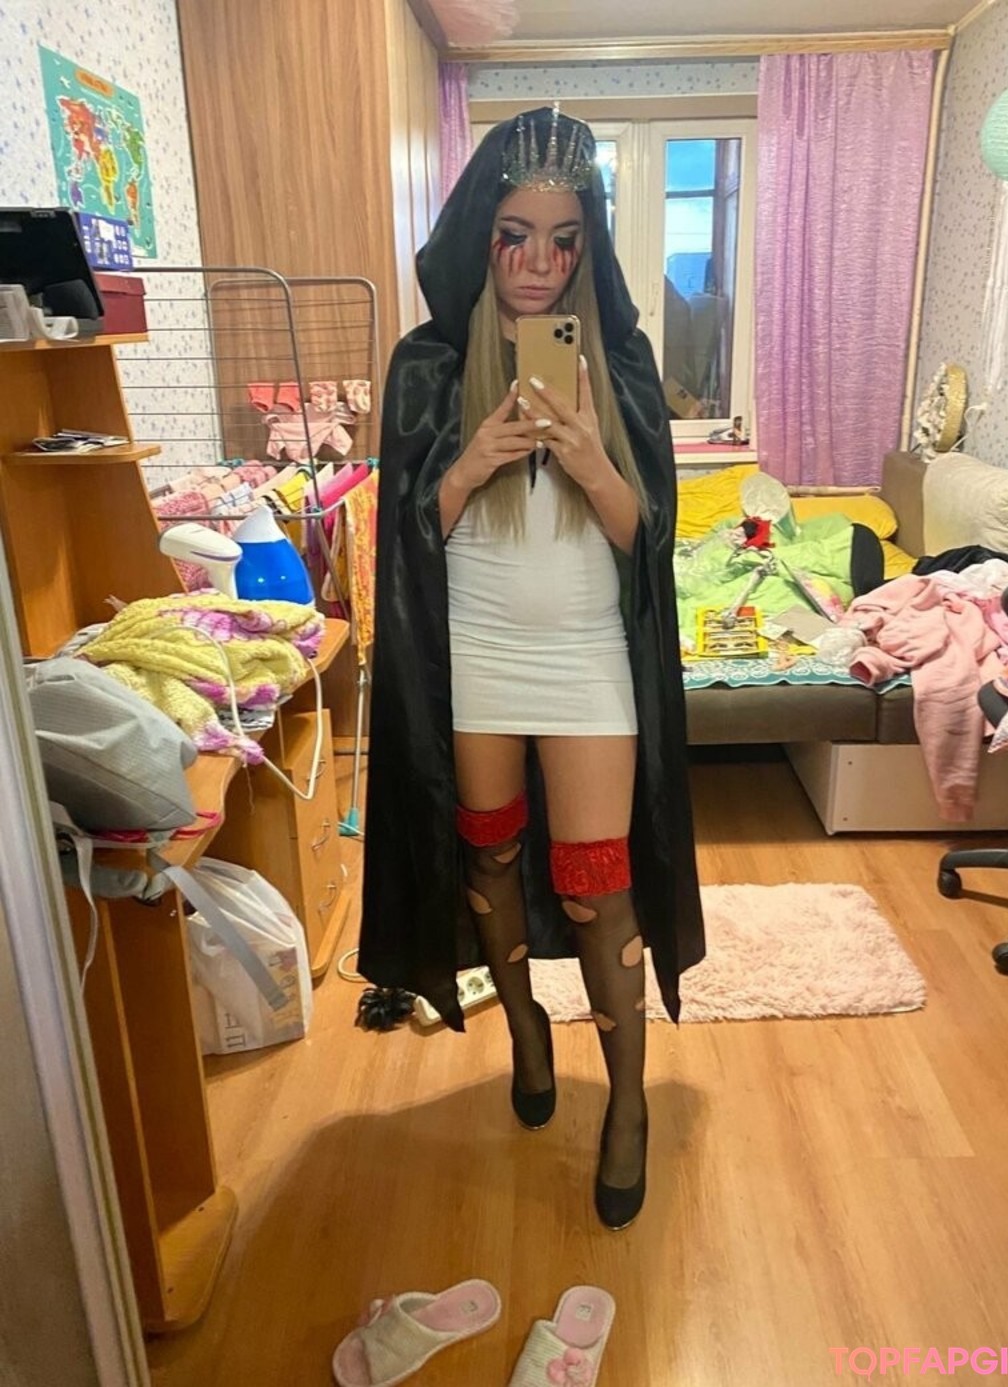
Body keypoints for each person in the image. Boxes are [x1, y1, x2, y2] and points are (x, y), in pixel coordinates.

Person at [359, 106, 704, 1231]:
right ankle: (524, 1028)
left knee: (600, 889)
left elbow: (644, 542)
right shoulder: (429, 366)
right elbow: (408, 540)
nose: (539, 263)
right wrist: (470, 463)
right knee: (490, 863)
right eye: (515, 236)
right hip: (477, 656)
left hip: (587, 655)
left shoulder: (624, 364)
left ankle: (628, 1103)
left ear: (587, 244)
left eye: (564, 238)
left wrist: (593, 460)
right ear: (483, 235)